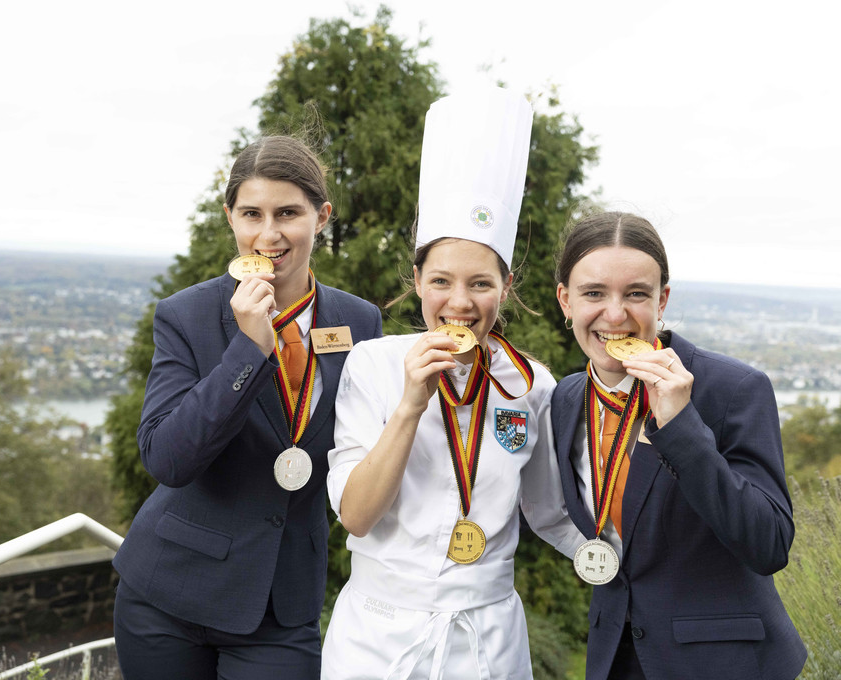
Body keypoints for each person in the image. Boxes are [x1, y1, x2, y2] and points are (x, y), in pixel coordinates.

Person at [321, 87, 584, 680]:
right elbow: (357, 516)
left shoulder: (530, 386)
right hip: (377, 639)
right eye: (441, 280)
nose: (459, 303)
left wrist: (620, 554)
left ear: (507, 286)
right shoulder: (374, 366)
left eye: (481, 284)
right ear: (416, 280)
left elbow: (549, 511)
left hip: (487, 638)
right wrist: (411, 405)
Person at [111, 135, 382, 679]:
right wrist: (249, 348)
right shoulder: (185, 315)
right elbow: (168, 459)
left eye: (288, 213)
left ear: (321, 216)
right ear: (230, 218)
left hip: (281, 605)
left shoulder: (361, 323)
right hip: (167, 595)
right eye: (251, 214)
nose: (268, 233)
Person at [551, 211, 807, 679]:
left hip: (722, 664)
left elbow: (769, 545)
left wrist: (682, 426)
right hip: (615, 658)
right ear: (565, 301)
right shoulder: (566, 398)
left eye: (635, 294)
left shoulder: (733, 388)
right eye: (593, 293)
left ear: (662, 300)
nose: (614, 314)